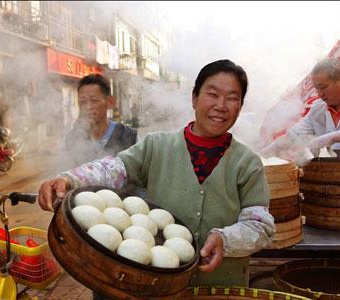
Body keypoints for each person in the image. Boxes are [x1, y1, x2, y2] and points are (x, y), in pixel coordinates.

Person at [38, 60, 275, 288]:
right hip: (157, 286)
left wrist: (226, 240)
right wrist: (71, 178)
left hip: (223, 285)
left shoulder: (248, 164)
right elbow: (114, 169)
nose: (221, 106)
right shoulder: (156, 147)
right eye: (212, 94)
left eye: (232, 98)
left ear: (240, 107)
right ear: (194, 98)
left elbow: (260, 225)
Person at [260, 57, 340, 159]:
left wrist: (331, 137)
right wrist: (261, 156)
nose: (320, 94)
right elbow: (291, 137)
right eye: (317, 89)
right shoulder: (318, 108)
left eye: (323, 87)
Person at [63, 74, 137, 168]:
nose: (88, 107)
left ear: (110, 102)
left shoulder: (129, 137)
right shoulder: (71, 140)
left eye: (94, 100)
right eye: (83, 102)